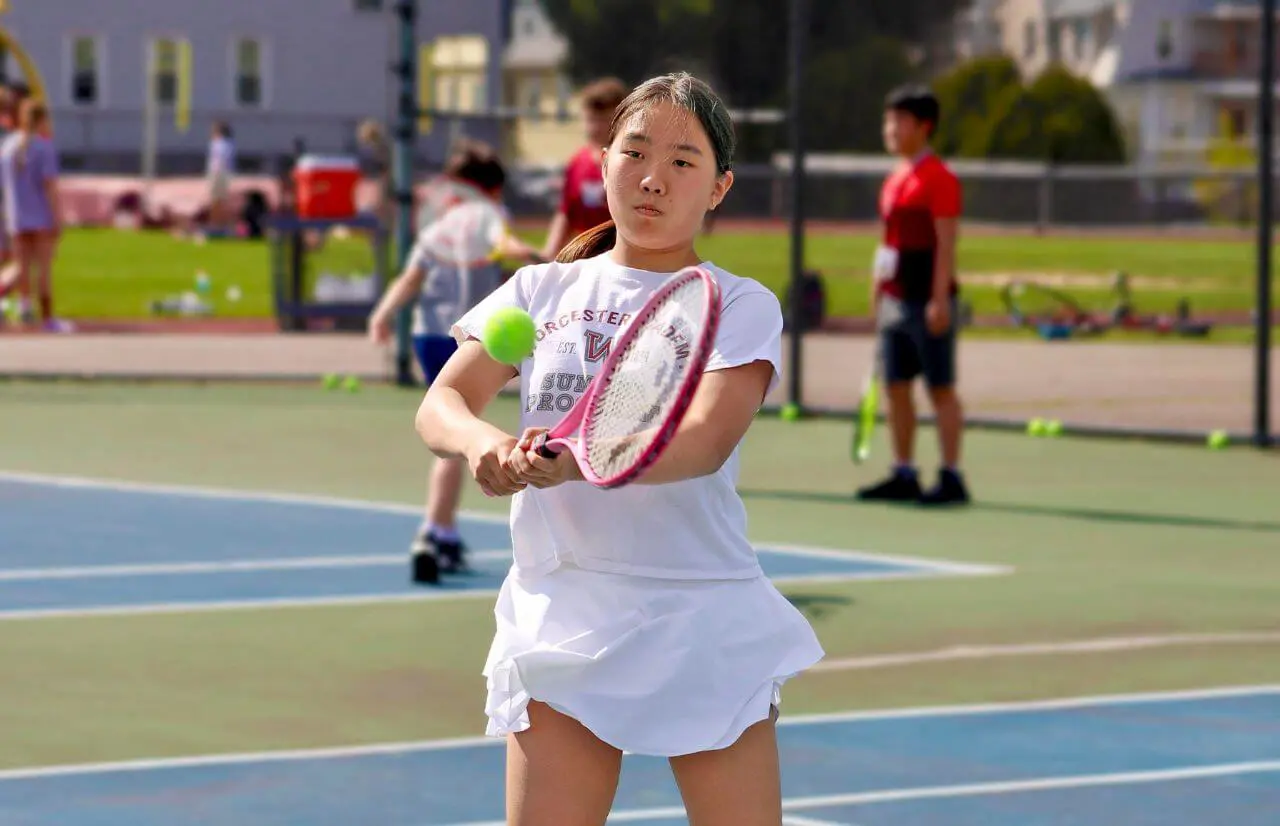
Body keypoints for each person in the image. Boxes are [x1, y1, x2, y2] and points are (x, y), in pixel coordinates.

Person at [415, 73, 824, 825]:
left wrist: (582, 458)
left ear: (719, 187)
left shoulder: (736, 303)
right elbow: (442, 403)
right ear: (603, 160)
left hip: (702, 614)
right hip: (564, 608)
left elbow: (703, 438)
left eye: (682, 161)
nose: (652, 179)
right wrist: (484, 446)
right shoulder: (540, 292)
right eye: (634, 152)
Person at [367, 143, 540, 583]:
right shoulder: (489, 218)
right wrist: (543, 263)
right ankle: (435, 529)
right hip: (470, 337)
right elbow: (508, 248)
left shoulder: (438, 228)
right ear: (494, 190)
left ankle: (443, 529)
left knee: (452, 426)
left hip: (429, 334)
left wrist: (383, 314)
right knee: (457, 434)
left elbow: (411, 279)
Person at [857, 85, 969, 506]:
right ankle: (904, 470)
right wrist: (877, 289)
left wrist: (939, 299)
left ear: (924, 126)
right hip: (895, 300)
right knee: (896, 386)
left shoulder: (940, 179)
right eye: (888, 120)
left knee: (940, 388)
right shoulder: (894, 179)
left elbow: (945, 245)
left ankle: (952, 475)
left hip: (927, 301)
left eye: (899, 121)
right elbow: (888, 241)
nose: (890, 129)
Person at [539, 76, 628, 261]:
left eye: (604, 120)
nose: (594, 128)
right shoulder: (577, 162)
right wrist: (549, 254)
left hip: (625, 262)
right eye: (590, 119)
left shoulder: (634, 162)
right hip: (587, 262)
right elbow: (566, 213)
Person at [0, 98, 67, 332]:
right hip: (40, 216)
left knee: (23, 268)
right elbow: (50, 186)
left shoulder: (8, 147)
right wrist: (58, 218)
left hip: (16, 217)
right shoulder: (43, 147)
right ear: (42, 120)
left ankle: (25, 308)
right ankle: (48, 319)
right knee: (43, 270)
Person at [205, 121, 236, 235]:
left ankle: (217, 224)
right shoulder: (228, 144)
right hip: (223, 174)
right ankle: (220, 224)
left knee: (216, 200)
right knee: (220, 200)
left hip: (218, 174)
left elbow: (220, 160)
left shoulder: (219, 144)